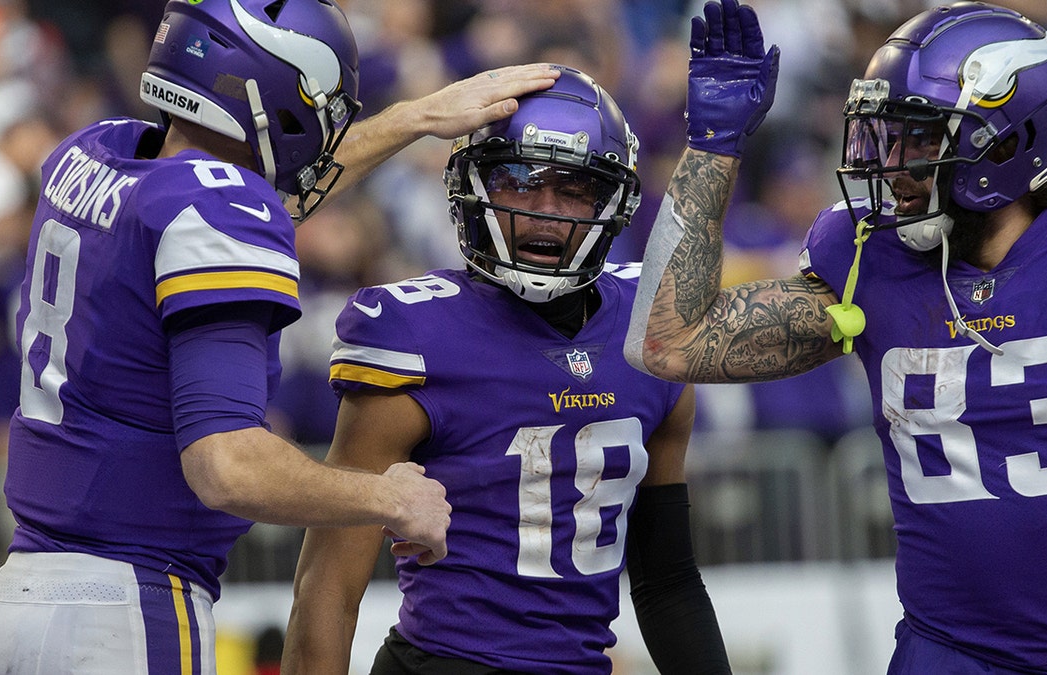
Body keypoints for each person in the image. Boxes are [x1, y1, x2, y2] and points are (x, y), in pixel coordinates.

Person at [0, 0, 561, 671]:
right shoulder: (217, 210)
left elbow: (240, 200)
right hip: (123, 609)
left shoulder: (94, 151)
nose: (325, 121)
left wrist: (416, 118)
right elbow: (227, 466)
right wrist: (389, 498)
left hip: (18, 597)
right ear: (268, 89)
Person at [627, 0, 1047, 672]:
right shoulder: (869, 253)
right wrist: (714, 145)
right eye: (880, 136)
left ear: (1009, 139)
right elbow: (668, 341)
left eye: (917, 140)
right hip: (951, 653)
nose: (888, 163)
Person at [281, 64, 731, 675]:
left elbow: (667, 581)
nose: (546, 211)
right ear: (473, 188)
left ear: (615, 202)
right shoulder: (416, 334)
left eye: (574, 188)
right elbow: (327, 592)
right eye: (518, 180)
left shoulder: (651, 332)